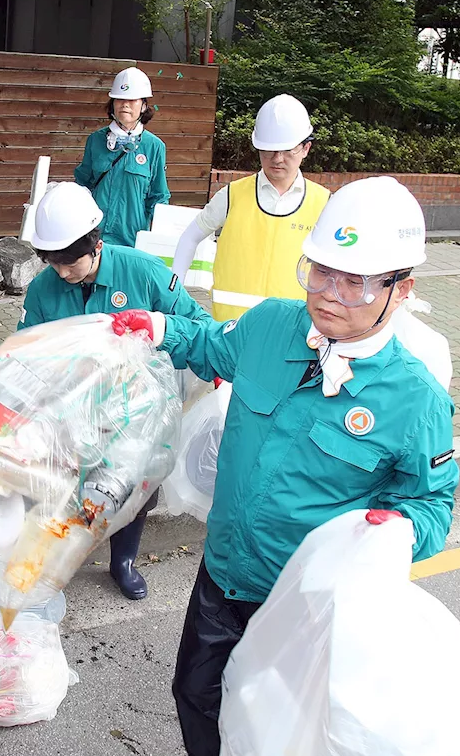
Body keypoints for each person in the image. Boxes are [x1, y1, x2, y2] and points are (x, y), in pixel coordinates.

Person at [111, 177, 459, 756]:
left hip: (309, 603)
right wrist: (158, 325)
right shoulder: (273, 324)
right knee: (197, 688)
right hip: (228, 570)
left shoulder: (415, 398)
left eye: (354, 282)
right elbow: (211, 344)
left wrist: (402, 527)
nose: (328, 294)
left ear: (400, 289)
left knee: (289, 722)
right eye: (320, 271)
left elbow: (432, 505)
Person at [18, 182, 211, 600]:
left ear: (95, 242)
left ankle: (122, 561)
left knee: (136, 489)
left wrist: (204, 364)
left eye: (70, 262)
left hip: (137, 412)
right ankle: (61, 559)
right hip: (73, 411)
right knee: (67, 487)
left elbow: (196, 323)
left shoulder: (143, 271)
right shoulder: (43, 289)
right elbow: (27, 350)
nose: (63, 272)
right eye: (53, 263)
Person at [171, 94, 330, 322]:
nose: (277, 159)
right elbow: (190, 237)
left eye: (287, 150)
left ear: (306, 148)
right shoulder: (232, 195)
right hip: (230, 331)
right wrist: (174, 290)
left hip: (292, 331)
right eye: (268, 150)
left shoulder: (323, 203)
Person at [74, 67, 170, 249]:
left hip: (132, 240)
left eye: (132, 100)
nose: (125, 104)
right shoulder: (95, 140)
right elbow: (82, 184)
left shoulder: (154, 146)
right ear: (112, 104)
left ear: (143, 105)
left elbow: (159, 197)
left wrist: (157, 241)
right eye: (120, 99)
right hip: (94, 237)